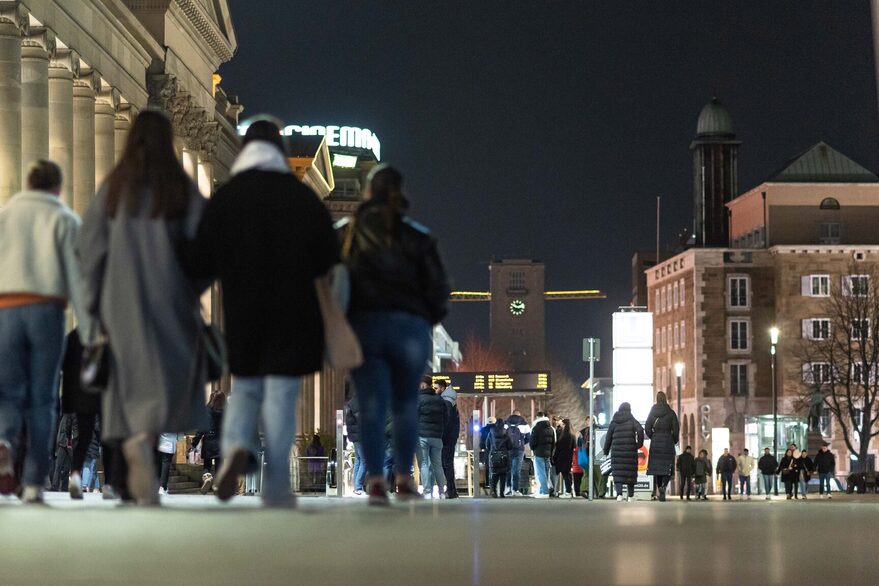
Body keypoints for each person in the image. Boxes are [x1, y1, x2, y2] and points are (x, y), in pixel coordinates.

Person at [184, 118, 340, 508]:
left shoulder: (229, 198)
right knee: (282, 394)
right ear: (281, 153)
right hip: (292, 312)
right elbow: (330, 258)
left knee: (248, 387)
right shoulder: (301, 198)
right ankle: (274, 485)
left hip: (243, 308)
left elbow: (200, 257)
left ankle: (235, 448)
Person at [78, 111, 209, 506]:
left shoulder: (114, 189)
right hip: (170, 298)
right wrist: (193, 290)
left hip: (120, 302)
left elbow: (88, 249)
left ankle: (134, 442)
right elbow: (205, 249)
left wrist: (93, 304)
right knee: (164, 382)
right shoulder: (180, 189)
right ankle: (147, 445)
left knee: (128, 381)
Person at [337, 164, 449, 505]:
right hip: (410, 328)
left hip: (365, 325)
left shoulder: (347, 233)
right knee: (405, 405)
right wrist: (425, 317)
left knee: (372, 405)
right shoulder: (418, 237)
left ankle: (374, 479)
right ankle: (403, 477)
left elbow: (327, 278)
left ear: (367, 192)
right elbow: (439, 288)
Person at [0, 160, 95, 504]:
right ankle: (33, 483)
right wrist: (88, 332)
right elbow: (77, 279)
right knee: (42, 399)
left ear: (28, 183)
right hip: (46, 310)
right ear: (58, 188)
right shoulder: (65, 219)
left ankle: (5, 443)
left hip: (6, 309)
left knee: (8, 393)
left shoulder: (5, 215)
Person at [603, 402, 645, 502]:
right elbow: (640, 430)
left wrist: (605, 451)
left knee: (618, 473)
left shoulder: (614, 421)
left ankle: (619, 495)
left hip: (617, 453)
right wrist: (638, 444)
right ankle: (630, 496)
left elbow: (608, 438)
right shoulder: (632, 420)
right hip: (630, 451)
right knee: (630, 473)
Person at [645, 391, 679, 501]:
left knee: (657, 469)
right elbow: (676, 429)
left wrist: (653, 437)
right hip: (667, 442)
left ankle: (660, 487)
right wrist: (673, 440)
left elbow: (647, 428)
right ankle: (664, 486)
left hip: (655, 443)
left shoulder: (652, 412)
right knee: (667, 467)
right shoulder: (671, 413)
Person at [417, 375, 447, 498]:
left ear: (423, 385)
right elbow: (446, 418)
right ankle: (441, 492)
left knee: (423, 464)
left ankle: (428, 492)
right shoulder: (440, 400)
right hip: (437, 437)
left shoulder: (418, 399)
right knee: (437, 465)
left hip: (422, 437)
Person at [191, 390, 225, 495]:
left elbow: (201, 428)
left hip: (209, 440)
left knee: (207, 465)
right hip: (221, 441)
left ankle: (207, 476)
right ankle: (217, 486)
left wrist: (194, 443)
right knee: (219, 465)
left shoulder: (206, 410)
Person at [438, 379, 460, 499]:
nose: (435, 390)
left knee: (446, 464)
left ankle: (450, 490)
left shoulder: (446, 404)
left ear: (442, 388)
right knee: (447, 463)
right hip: (450, 438)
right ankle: (451, 490)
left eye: (437, 388)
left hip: (446, 439)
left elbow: (446, 423)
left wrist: (441, 435)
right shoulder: (452, 404)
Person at [529, 411, 556, 498]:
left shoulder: (536, 428)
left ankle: (545, 492)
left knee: (541, 473)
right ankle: (541, 491)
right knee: (546, 473)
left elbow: (532, 442)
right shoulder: (551, 428)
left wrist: (533, 448)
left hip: (539, 453)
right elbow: (553, 443)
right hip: (548, 453)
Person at [345, 393, 365, 496]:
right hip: (359, 435)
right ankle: (358, 487)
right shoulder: (356, 402)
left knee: (358, 460)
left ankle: (356, 486)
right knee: (364, 461)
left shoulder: (351, 402)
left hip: (355, 436)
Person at [488, 417, 512, 497]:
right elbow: (510, 446)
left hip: (493, 455)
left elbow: (487, 444)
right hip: (504, 456)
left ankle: (493, 491)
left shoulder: (491, 433)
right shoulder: (506, 433)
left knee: (494, 474)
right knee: (503, 475)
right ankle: (502, 493)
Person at [506, 410, 529, 496]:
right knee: (516, 470)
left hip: (508, 449)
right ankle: (515, 490)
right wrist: (522, 443)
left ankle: (507, 488)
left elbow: (503, 435)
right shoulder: (524, 423)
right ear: (519, 415)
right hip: (519, 450)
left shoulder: (506, 422)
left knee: (508, 469)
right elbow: (528, 437)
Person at [554, 418, 575, 497]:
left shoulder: (564, 436)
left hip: (562, 457)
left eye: (562, 425)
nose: (561, 426)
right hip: (569, 457)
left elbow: (559, 447)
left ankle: (568, 492)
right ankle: (569, 491)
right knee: (567, 474)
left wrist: (555, 457)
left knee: (565, 475)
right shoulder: (572, 435)